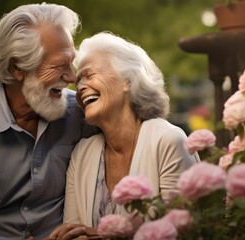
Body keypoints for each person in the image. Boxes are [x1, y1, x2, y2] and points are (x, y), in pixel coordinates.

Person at [0, 3, 99, 239]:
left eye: (71, 62)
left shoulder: (81, 113)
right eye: (59, 66)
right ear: (17, 68)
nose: (72, 77)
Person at [48, 32, 200, 239]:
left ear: (127, 80)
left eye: (89, 75)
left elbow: (186, 231)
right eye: (79, 81)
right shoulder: (81, 153)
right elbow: (74, 234)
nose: (80, 87)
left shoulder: (168, 141)